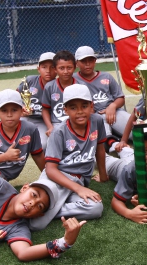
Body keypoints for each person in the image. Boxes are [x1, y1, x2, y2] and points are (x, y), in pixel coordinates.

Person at [29, 84, 108, 230]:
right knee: (35, 224)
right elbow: (51, 170)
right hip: (57, 178)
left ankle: (49, 209)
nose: (79, 112)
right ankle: (45, 207)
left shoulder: (96, 121)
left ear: (91, 106)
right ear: (65, 110)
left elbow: (100, 148)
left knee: (96, 208)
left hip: (79, 180)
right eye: (73, 107)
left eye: (84, 106)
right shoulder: (58, 132)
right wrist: (78, 189)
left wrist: (103, 175)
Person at [73, 45, 131, 137]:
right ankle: (111, 140)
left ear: (95, 61)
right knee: (103, 137)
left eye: (91, 60)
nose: (87, 64)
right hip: (90, 116)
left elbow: (120, 97)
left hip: (113, 112)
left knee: (136, 131)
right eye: (83, 61)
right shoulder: (73, 79)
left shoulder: (106, 76)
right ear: (76, 63)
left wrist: (113, 105)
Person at [17, 52, 56, 145]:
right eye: (44, 67)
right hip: (26, 117)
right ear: (38, 69)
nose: (48, 71)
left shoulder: (58, 85)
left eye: (52, 67)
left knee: (43, 144)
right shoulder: (30, 80)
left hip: (43, 121)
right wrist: (21, 107)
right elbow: (16, 94)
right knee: (15, 141)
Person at [41, 50, 76, 137]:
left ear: (75, 68)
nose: (65, 71)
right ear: (55, 69)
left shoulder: (81, 85)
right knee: (48, 144)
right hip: (57, 124)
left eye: (69, 67)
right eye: (61, 68)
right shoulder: (49, 87)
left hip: (77, 122)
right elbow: (45, 109)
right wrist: (50, 127)